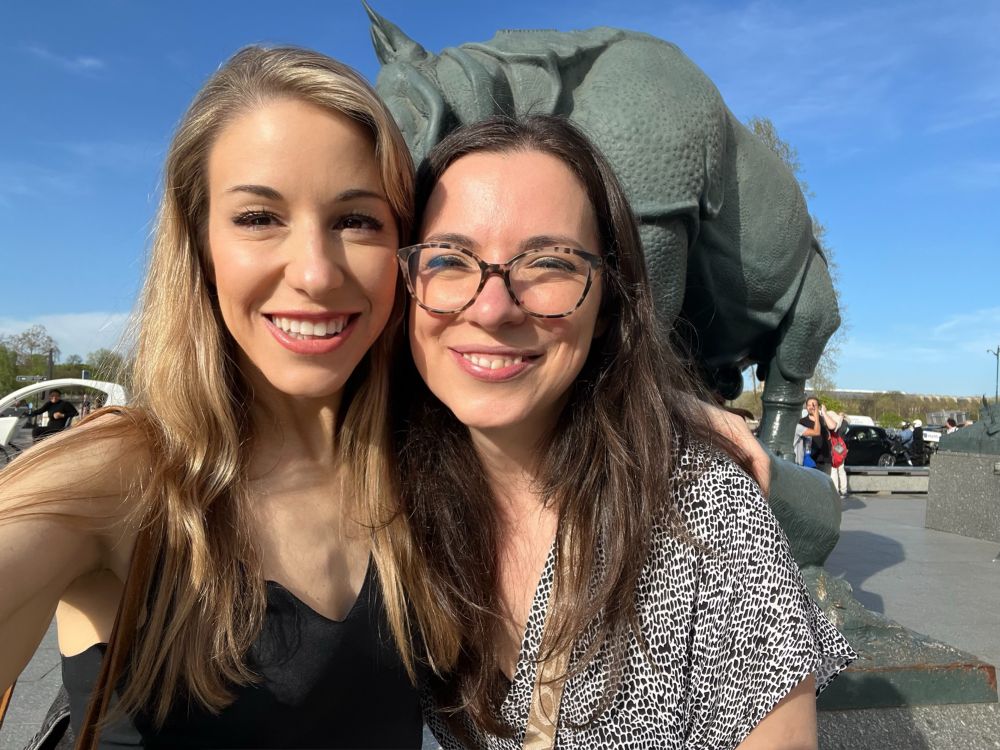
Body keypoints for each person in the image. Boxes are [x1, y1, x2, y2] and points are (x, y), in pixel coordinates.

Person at [385, 116, 854, 749]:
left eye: (548, 263)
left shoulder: (703, 511)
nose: (492, 308)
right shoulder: (381, 487)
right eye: (449, 259)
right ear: (406, 284)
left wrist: (660, 407)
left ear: (607, 301)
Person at [0, 47, 423, 748]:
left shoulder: (425, 468)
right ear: (199, 247)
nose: (316, 273)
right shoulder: (120, 476)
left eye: (357, 220)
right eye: (259, 217)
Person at [799, 396, 838, 477]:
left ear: (818, 407)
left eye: (814, 405)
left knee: (824, 483)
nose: (811, 407)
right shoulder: (802, 422)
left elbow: (833, 426)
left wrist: (824, 413)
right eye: (809, 405)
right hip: (809, 460)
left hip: (824, 459)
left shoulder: (823, 419)